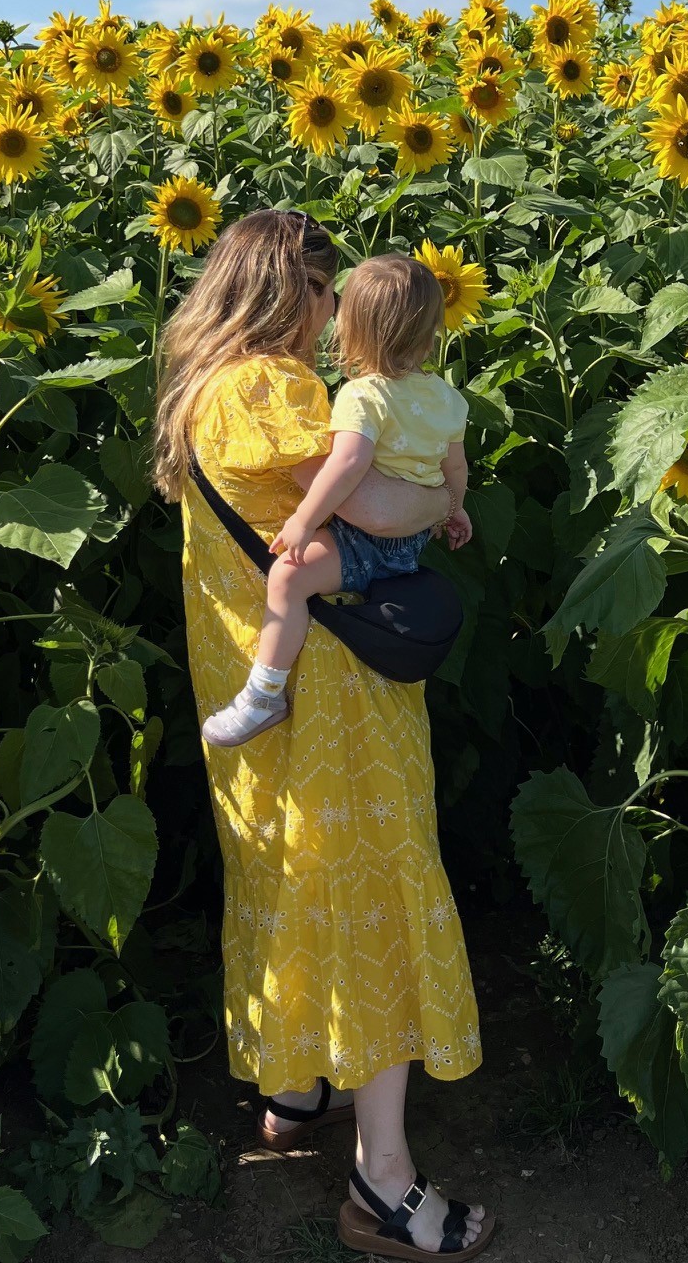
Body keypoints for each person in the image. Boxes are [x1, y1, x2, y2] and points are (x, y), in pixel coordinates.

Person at [154, 210, 495, 1257]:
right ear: (288, 291)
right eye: (324, 292)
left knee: (286, 874)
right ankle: (383, 1183)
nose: (333, 315)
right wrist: (441, 488)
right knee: (368, 886)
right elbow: (376, 505)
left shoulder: (207, 389)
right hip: (332, 700)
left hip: (255, 684)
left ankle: (296, 1086)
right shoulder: (271, 386)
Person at [200, 251, 473, 749]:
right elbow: (455, 468)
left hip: (364, 540)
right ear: (431, 332)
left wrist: (305, 521)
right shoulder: (449, 399)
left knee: (287, 577)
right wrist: (455, 510)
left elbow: (346, 466)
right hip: (412, 541)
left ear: (353, 330)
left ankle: (264, 694)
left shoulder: (363, 396)